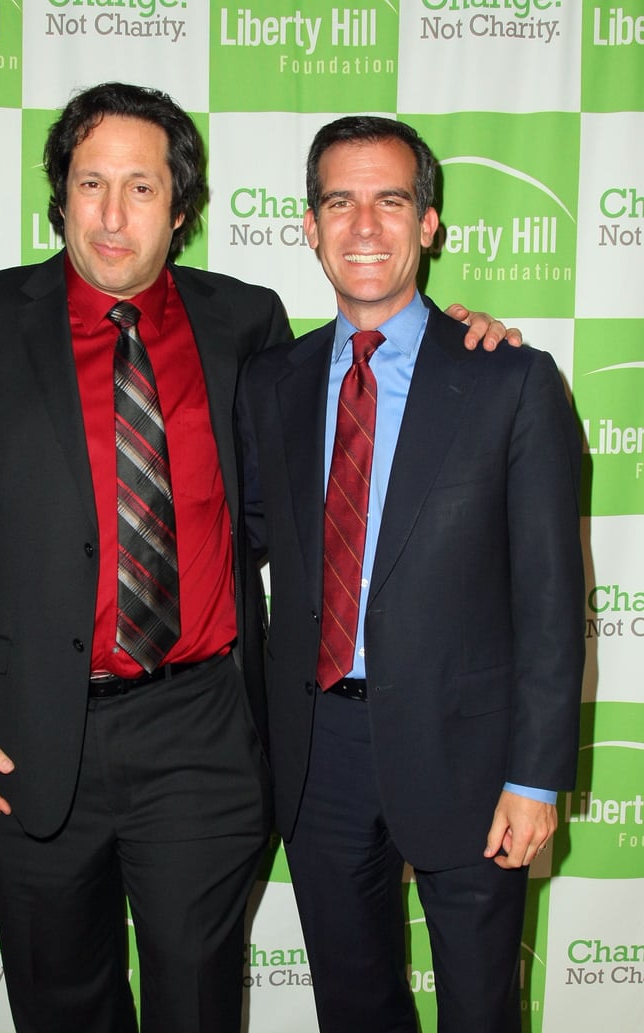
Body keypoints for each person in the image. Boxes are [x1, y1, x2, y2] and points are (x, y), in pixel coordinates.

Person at [0, 83, 517, 1033]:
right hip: (24, 735)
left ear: (179, 209)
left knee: (197, 1007)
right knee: (60, 1004)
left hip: (202, 733)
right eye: (90, 183)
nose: (112, 213)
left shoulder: (247, 324)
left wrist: (461, 353)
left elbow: (303, 497)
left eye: (141, 188)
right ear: (57, 195)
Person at [236, 115, 585, 1033]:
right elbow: (238, 538)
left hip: (474, 760)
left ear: (429, 222)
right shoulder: (272, 383)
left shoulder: (512, 380)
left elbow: (552, 602)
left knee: (480, 1010)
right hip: (320, 757)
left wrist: (537, 777)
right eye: (339, 201)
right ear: (308, 226)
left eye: (391, 200)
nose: (364, 225)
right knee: (354, 1010)